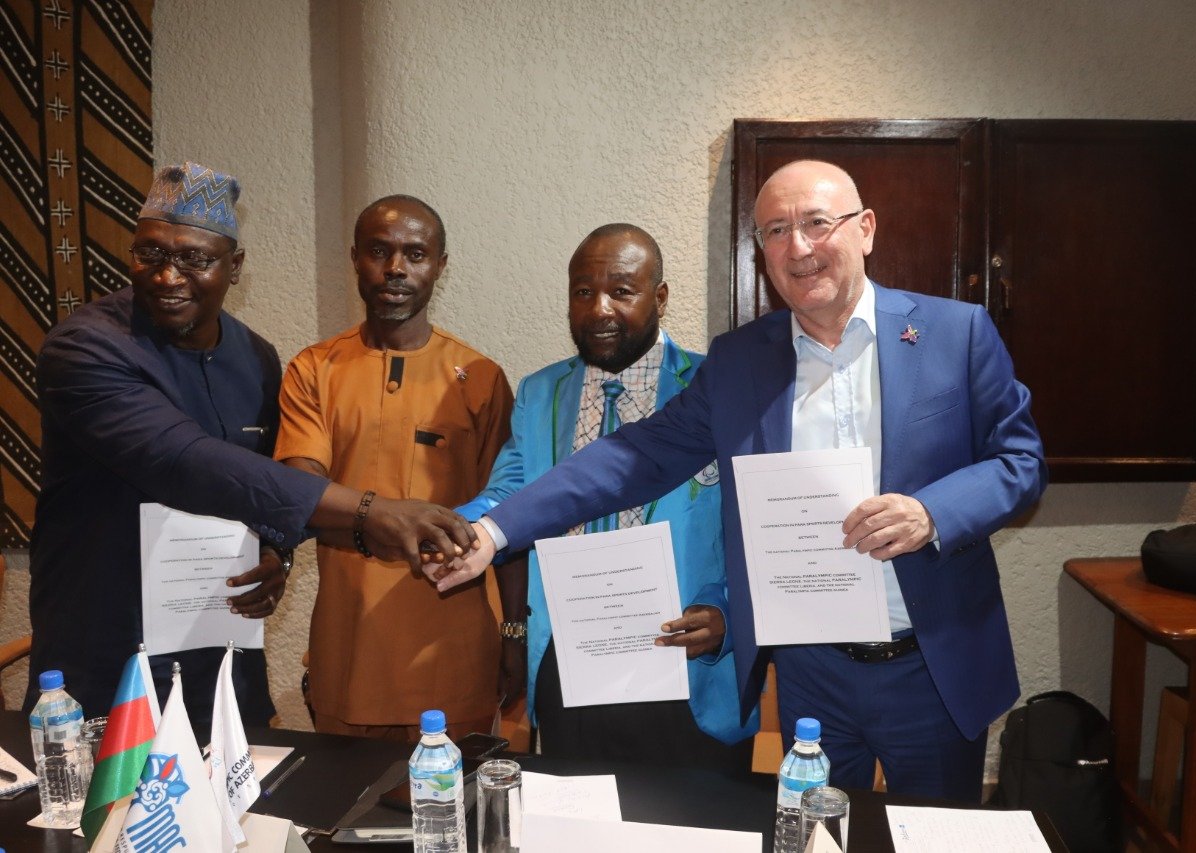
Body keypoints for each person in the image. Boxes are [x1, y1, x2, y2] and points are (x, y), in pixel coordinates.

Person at [435, 160, 1047, 800]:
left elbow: (1021, 463)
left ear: (865, 229)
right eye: (776, 230)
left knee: (933, 835)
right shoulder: (739, 362)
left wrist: (931, 513)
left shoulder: (956, 332)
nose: (799, 247)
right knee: (813, 834)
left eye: (817, 223)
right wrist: (494, 530)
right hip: (811, 673)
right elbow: (635, 456)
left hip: (933, 664)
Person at [29, 163, 477, 731]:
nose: (168, 276)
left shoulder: (257, 359)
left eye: (195, 259)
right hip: (107, 647)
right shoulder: (86, 348)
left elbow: (261, 484)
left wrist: (274, 552)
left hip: (221, 643)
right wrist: (371, 509)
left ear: (235, 267)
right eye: (150, 254)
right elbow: (184, 461)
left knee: (242, 786)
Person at [456, 224, 758, 770]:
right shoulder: (539, 392)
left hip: (686, 658)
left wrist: (728, 614)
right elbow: (511, 490)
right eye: (582, 291)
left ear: (659, 297)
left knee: (695, 819)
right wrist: (459, 529)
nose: (599, 309)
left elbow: (756, 523)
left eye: (621, 291)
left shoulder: (718, 386)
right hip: (573, 659)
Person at [275, 195, 520, 742]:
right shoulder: (314, 370)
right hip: (349, 651)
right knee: (345, 797)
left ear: (440, 265)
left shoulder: (479, 377)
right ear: (355, 258)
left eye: (415, 253)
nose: (395, 268)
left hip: (454, 653)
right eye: (379, 251)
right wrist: (381, 516)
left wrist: (514, 633)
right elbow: (300, 493)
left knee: (454, 796)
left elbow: (510, 513)